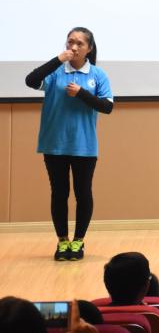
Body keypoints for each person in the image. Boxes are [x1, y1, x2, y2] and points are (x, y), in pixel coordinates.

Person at [24, 26, 113, 261]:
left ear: (89, 48)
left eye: (79, 43)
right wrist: (58, 59)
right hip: (54, 143)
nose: (73, 47)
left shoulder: (97, 74)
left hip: (84, 146)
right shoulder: (56, 71)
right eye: (70, 42)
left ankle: (78, 241)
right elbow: (30, 80)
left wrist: (82, 93)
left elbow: (107, 107)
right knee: (59, 193)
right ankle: (62, 241)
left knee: (83, 193)